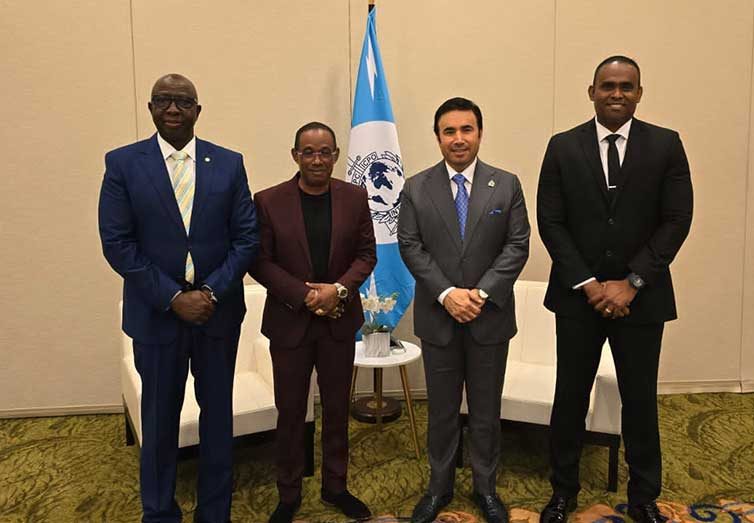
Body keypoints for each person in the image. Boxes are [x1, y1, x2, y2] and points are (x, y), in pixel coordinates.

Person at [536, 56, 693, 523]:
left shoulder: (666, 145)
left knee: (640, 399)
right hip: (577, 299)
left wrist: (633, 282)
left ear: (640, 93)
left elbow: (676, 220)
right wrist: (588, 284)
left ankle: (643, 497)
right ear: (592, 91)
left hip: (641, 301)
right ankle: (562, 491)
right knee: (570, 397)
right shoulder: (562, 147)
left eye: (627, 86)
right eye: (608, 85)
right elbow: (552, 221)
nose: (617, 93)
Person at [98, 73, 259, 523]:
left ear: (197, 111)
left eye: (183, 101)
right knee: (159, 422)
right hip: (156, 318)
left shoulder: (228, 163)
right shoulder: (123, 163)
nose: (173, 108)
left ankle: (214, 513)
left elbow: (246, 239)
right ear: (150, 107)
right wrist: (172, 297)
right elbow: (117, 243)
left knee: (216, 422)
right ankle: (160, 512)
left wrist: (208, 292)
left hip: (217, 316)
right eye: (164, 100)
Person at [398, 97, 531, 523]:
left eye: (466, 129)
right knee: (441, 410)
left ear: (479, 132)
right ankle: (439, 488)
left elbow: (517, 245)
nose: (458, 139)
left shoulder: (506, 184)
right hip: (440, 318)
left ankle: (485, 489)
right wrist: (446, 294)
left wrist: (481, 293)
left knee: (486, 411)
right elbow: (410, 246)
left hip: (488, 318)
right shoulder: (417, 187)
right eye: (449, 131)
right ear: (437, 137)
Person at [249, 122, 376, 523]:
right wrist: (305, 295)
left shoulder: (355, 198)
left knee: (338, 409)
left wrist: (336, 290)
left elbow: (367, 255)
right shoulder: (268, 201)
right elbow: (260, 260)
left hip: (338, 322)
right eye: (308, 151)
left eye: (325, 152)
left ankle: (336, 487)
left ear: (336, 155)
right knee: (289, 413)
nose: (317, 159)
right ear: (295, 155)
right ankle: (288, 494)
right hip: (290, 324)